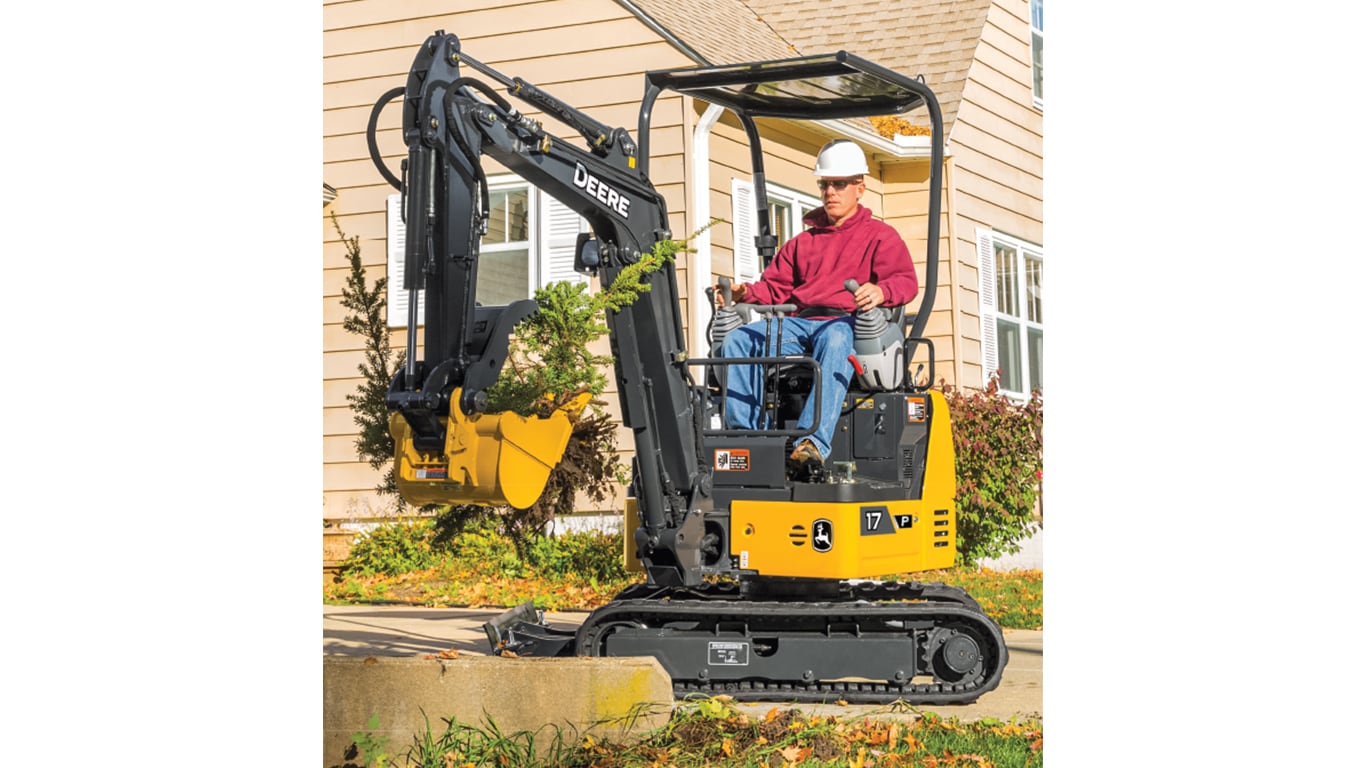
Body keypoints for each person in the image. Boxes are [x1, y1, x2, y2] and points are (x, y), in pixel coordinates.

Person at [718, 139, 919, 467]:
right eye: (825, 185)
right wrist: (745, 294)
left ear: (860, 188)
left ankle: (812, 441)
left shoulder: (881, 237)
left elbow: (906, 282)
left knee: (836, 337)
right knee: (739, 339)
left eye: (839, 184)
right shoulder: (802, 243)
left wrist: (881, 292)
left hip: (847, 322)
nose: (831, 192)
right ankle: (747, 437)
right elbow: (775, 289)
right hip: (800, 322)